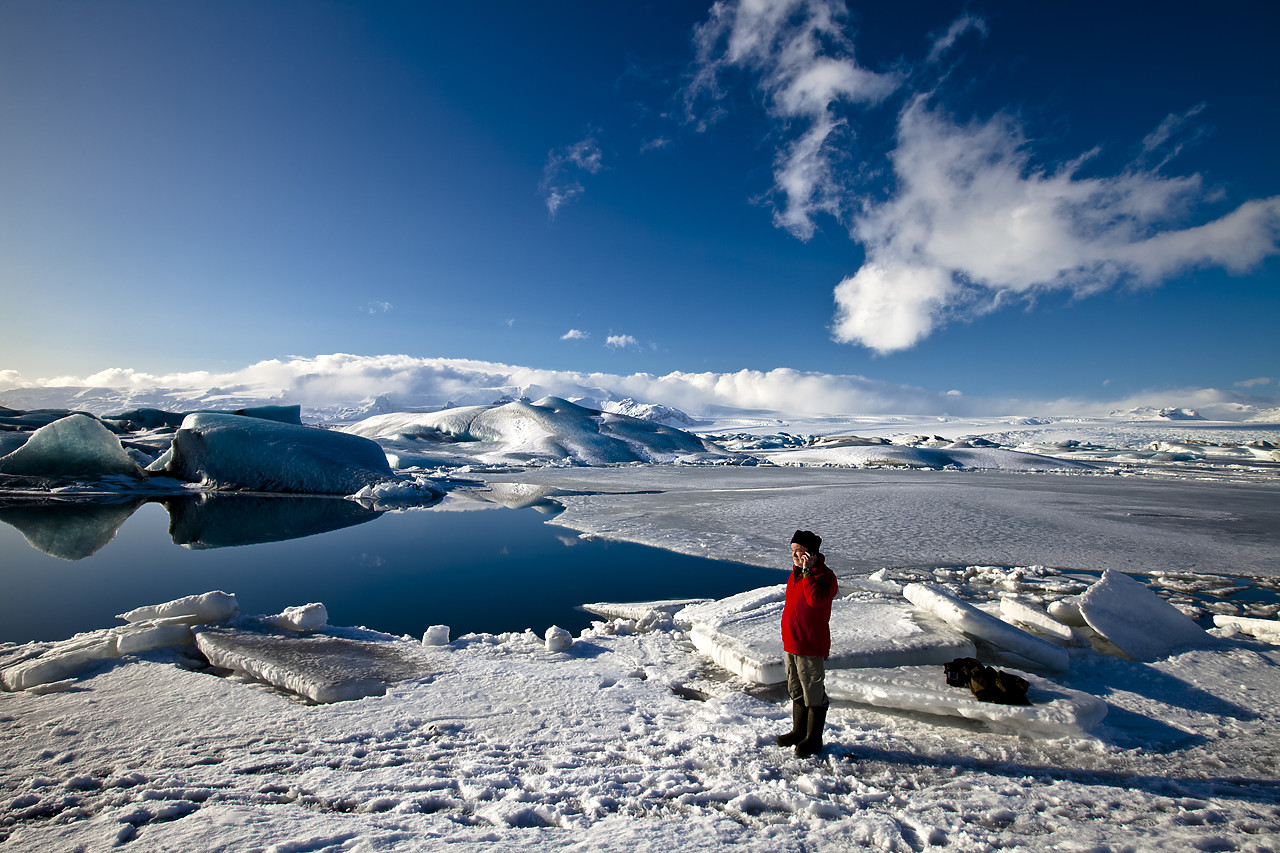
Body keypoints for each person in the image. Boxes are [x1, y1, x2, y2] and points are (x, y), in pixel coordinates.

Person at [775, 529, 838, 758]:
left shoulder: (825, 577)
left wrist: (809, 572)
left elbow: (815, 601)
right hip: (792, 643)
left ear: (810, 553)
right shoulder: (796, 574)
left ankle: (814, 739)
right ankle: (798, 732)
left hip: (810, 646)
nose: (794, 555)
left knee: (813, 693)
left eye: (798, 551)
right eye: (792, 551)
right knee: (795, 689)